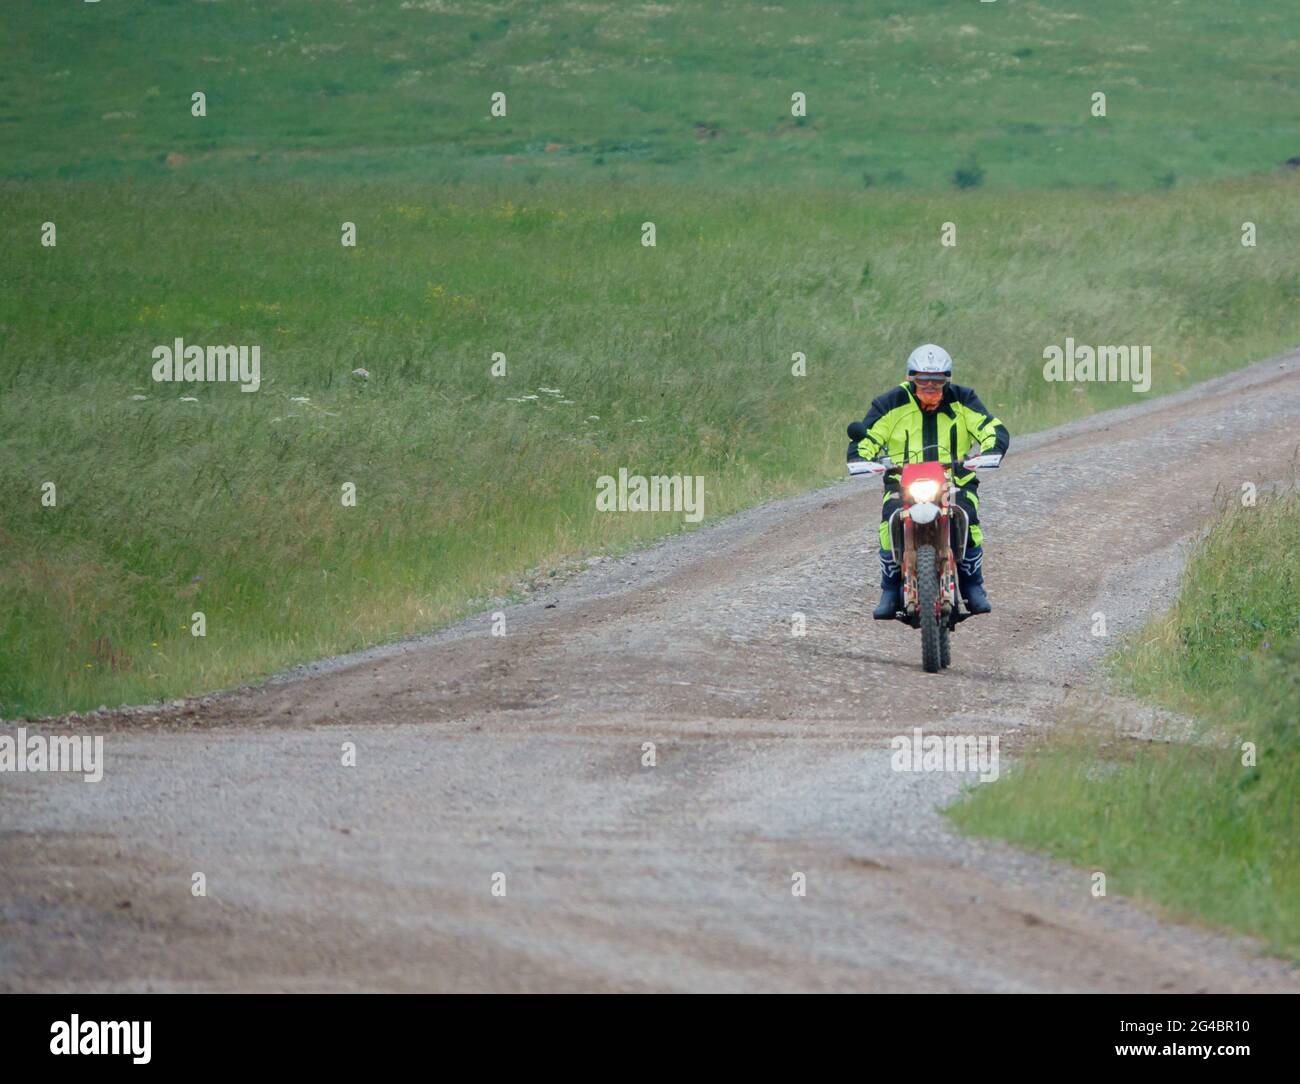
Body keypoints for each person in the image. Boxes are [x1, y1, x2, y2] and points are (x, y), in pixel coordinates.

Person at [847, 344, 1010, 618]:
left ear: (948, 379)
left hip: (954, 479)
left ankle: (973, 585)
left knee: (968, 514)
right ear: (912, 378)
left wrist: (991, 449)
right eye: (923, 380)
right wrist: (862, 457)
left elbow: (991, 427)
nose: (931, 386)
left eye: (938, 380)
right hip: (903, 481)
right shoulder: (890, 403)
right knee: (889, 516)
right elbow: (868, 437)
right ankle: (889, 589)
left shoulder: (963, 399)